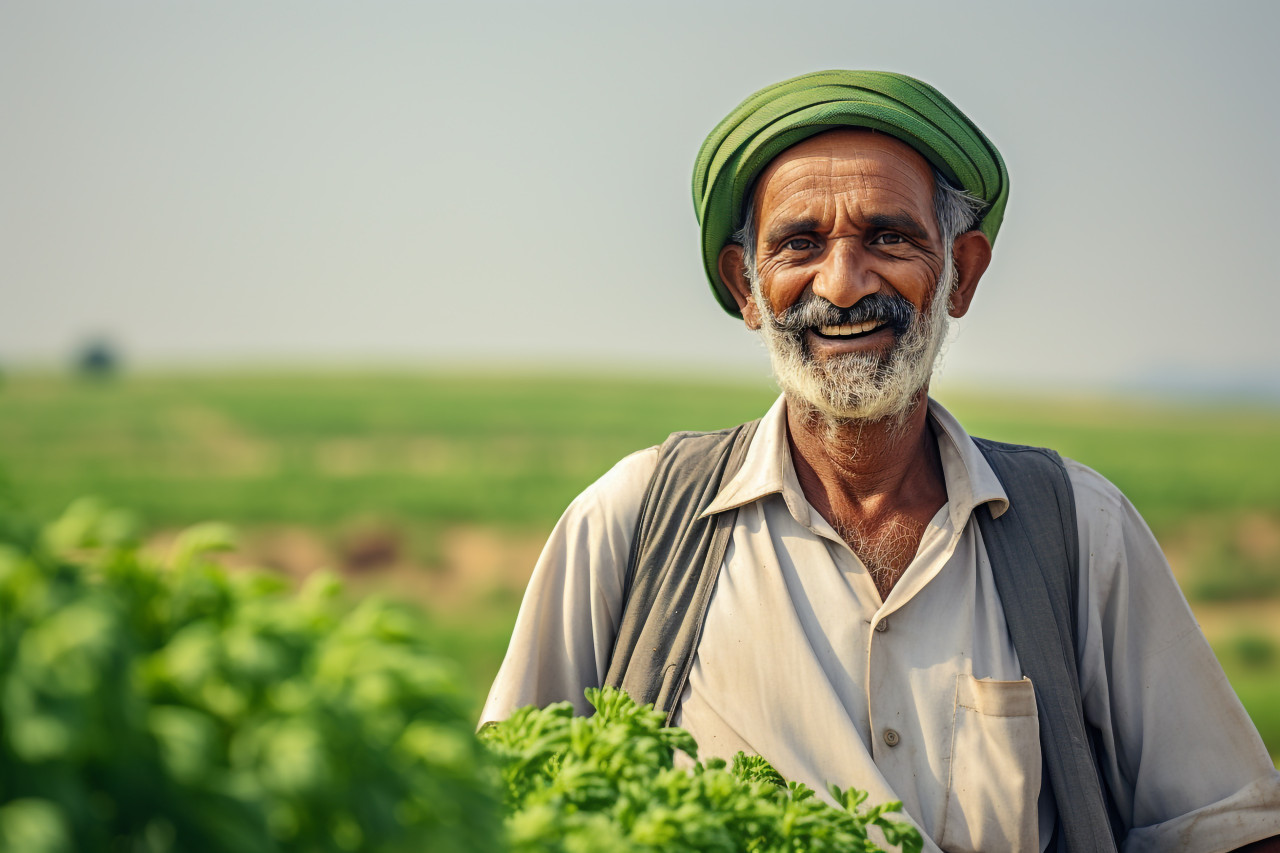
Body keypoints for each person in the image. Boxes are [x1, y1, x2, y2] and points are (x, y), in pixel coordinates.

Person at [481, 70, 1280, 852]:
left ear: (960, 273)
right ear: (748, 288)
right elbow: (498, 802)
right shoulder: (635, 523)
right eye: (799, 244)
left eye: (888, 237)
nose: (842, 283)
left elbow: (1229, 827)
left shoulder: (1080, 532)